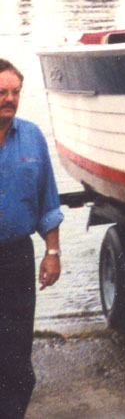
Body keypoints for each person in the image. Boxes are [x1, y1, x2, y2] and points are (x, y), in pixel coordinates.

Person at [0, 58, 63, 419]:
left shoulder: (33, 137)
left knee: (17, 359)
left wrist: (52, 251)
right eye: (2, 92)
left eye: (15, 92)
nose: (10, 99)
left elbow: (48, 201)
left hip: (17, 259)